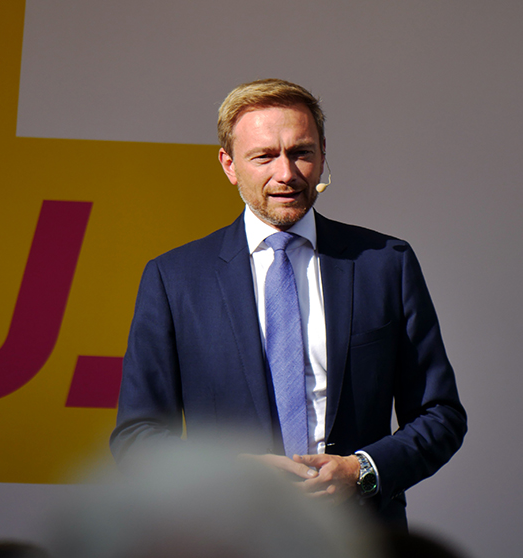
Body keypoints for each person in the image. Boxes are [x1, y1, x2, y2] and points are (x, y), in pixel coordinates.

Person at [111, 78, 467, 529]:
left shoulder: (384, 264)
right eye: (264, 156)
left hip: (359, 540)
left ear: (322, 155)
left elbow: (440, 416)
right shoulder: (175, 278)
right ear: (229, 164)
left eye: (301, 152)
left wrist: (362, 471)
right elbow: (138, 439)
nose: (287, 174)